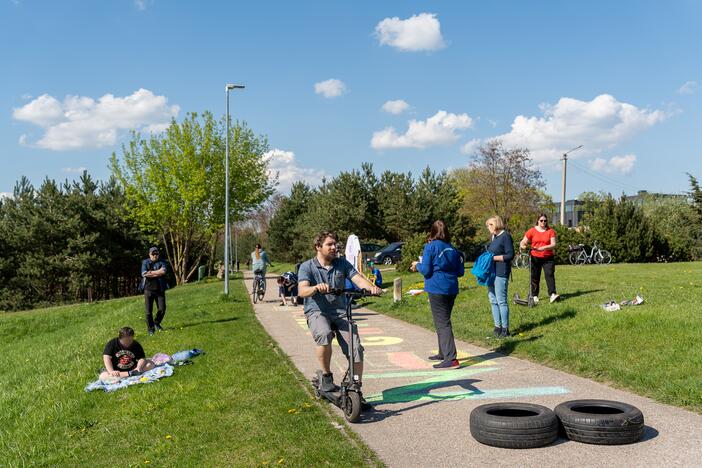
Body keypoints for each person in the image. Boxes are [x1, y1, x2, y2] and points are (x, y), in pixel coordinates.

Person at [297, 231, 382, 393]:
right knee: (324, 333)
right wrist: (315, 288)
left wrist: (371, 288)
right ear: (318, 247)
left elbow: (357, 279)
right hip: (317, 311)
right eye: (329, 244)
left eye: (335, 244)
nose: (334, 247)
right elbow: (302, 291)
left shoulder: (342, 264)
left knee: (356, 348)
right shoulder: (307, 266)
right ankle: (326, 375)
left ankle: (356, 384)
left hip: (341, 312)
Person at [410, 220, 465, 369]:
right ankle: (443, 352)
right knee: (443, 321)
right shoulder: (453, 249)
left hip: (436, 287)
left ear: (432, 232)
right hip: (451, 288)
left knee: (442, 323)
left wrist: (417, 265)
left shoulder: (430, 247)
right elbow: (460, 272)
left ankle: (451, 358)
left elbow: (427, 270)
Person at [520, 213, 559, 303]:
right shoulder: (532, 231)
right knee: (535, 277)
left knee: (549, 275)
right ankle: (534, 296)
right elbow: (523, 241)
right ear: (538, 221)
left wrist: (544, 248)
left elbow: (553, 244)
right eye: (541, 220)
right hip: (535, 257)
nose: (543, 222)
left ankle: (552, 294)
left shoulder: (550, 231)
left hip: (548, 257)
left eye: (545, 221)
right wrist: (523, 245)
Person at [485, 216, 514, 338]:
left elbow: (510, 255)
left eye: (490, 225)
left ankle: (505, 328)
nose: (488, 228)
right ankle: (497, 326)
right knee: (493, 300)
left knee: (501, 301)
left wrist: (493, 258)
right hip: (491, 272)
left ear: (496, 224)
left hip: (501, 272)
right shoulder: (494, 237)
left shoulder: (505, 236)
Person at [141, 247, 169, 335]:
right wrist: (158, 272)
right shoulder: (145, 262)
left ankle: (156, 323)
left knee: (162, 309)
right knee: (148, 312)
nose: (155, 256)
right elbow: (144, 274)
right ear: (149, 254)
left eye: (156, 254)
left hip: (160, 289)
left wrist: (151, 273)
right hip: (148, 289)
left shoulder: (162, 261)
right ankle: (151, 329)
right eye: (153, 254)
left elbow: (163, 272)